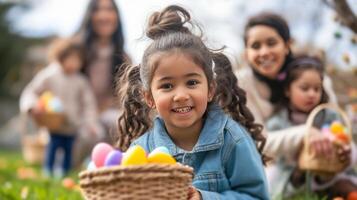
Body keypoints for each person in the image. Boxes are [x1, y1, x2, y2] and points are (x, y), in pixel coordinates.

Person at [115, 5, 269, 200]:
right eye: (167, 86)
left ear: (210, 89)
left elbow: (257, 196)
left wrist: (204, 197)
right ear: (149, 98)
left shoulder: (233, 140)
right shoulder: (141, 151)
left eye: (192, 82)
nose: (180, 95)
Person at [236, 12, 343, 163]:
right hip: (274, 169)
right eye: (255, 46)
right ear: (246, 54)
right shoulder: (241, 84)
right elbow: (257, 141)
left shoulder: (315, 77)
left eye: (271, 43)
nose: (264, 52)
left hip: (321, 161)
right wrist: (306, 133)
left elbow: (337, 124)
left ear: (287, 45)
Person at [266, 56, 357, 199]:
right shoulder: (278, 121)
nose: (312, 94)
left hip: (331, 173)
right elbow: (272, 149)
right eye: (304, 88)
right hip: (294, 176)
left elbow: (345, 138)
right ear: (287, 90)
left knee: (345, 187)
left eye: (317, 89)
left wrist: (347, 151)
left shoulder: (329, 115)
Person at [19, 38, 100, 177]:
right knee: (52, 147)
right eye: (71, 59)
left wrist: (91, 123)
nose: (75, 64)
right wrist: (31, 106)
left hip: (72, 126)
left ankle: (65, 171)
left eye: (78, 60)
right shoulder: (49, 75)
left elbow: (89, 104)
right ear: (61, 57)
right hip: (53, 125)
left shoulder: (81, 81)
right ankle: (48, 171)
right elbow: (30, 92)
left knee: (69, 149)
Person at [75, 0, 130, 136]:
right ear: (90, 16)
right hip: (78, 118)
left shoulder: (124, 58)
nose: (104, 16)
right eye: (98, 10)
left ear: (116, 16)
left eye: (109, 10)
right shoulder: (75, 52)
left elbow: (129, 96)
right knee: (89, 135)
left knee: (123, 124)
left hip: (107, 116)